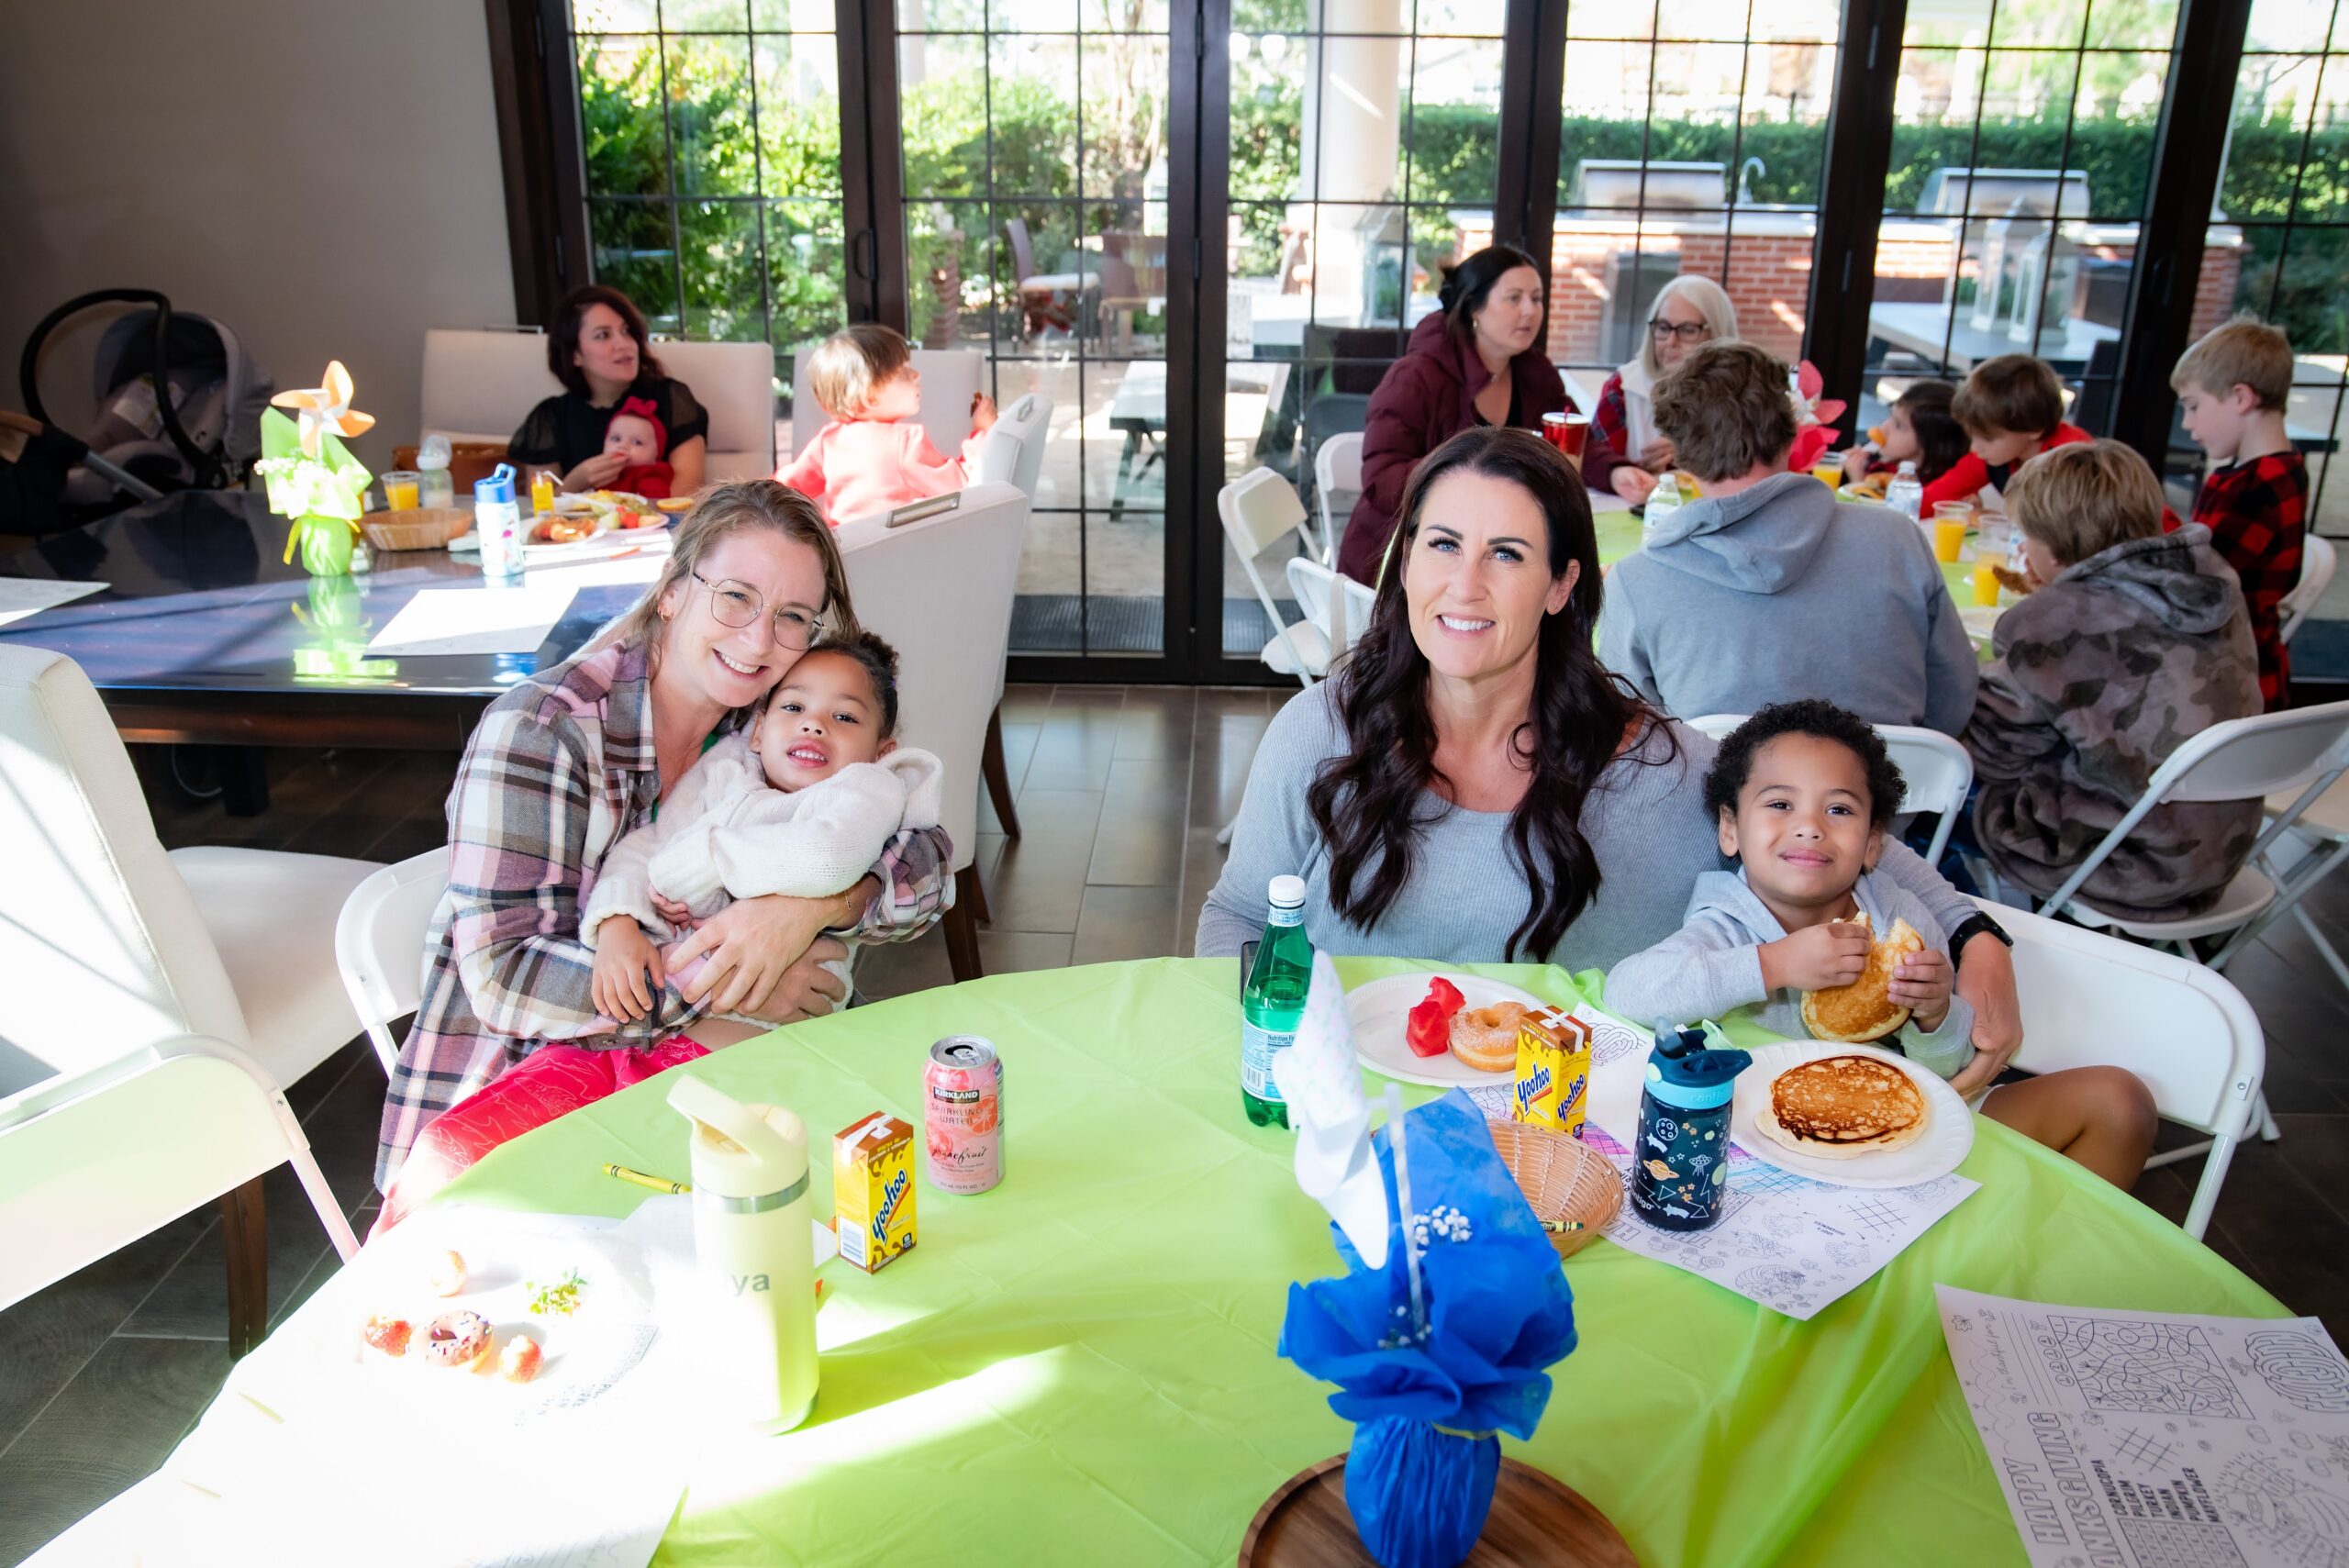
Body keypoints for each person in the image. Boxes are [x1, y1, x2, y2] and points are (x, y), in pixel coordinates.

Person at [1199, 426, 2025, 1105]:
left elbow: (1844, 834)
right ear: (1406, 561)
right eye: (1443, 544)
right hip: (1344, 1113)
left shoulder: (1650, 765)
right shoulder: (1320, 734)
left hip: (1566, 1143)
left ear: (1562, 586)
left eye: (1509, 555)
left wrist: (1978, 936)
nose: (1466, 584)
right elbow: (1235, 914)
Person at [375, 482, 952, 1194]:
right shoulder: (542, 730)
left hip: (727, 1074)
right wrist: (727, 980)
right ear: (674, 589)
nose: (759, 639)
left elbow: (926, 860)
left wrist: (809, 910)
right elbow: (505, 976)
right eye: (736, 596)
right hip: (531, 1090)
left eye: (792, 616)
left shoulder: (771, 718)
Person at [1607, 701, 2154, 1187]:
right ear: (1731, 829)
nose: (1810, 827)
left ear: (1872, 844)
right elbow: (1628, 992)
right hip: (1781, 1156)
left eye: (1839, 809)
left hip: (1922, 1128)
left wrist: (1935, 1016)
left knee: (2118, 1101)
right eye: (1779, 804)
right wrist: (1771, 964)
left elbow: (1951, 1073)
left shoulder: (1900, 922)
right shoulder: (1727, 928)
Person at [1596, 341, 1978, 734]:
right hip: (1894, 790)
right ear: (1792, 432)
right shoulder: (1900, 541)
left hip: (1714, 792)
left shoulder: (1636, 583)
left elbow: (1628, 739)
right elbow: (1954, 700)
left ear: (1678, 452)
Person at [1964, 440, 2261, 922]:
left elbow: (1993, 753)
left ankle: (1981, 941)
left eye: (2027, 536)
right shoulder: (2212, 583)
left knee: (1931, 792)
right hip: (2220, 847)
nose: (2022, 549)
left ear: (2056, 546)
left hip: (2127, 859)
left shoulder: (2055, 619)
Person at [583, 631, 943, 1016]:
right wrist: (617, 920)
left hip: (787, 1004)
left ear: (880, 752)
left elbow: (828, 858)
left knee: (704, 1070)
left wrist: (707, 860)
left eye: (844, 717)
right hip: (683, 987)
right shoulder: (727, 769)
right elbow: (652, 841)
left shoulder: (867, 789)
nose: (814, 724)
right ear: (758, 731)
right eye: (793, 707)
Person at [1336, 245, 1568, 584]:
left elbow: (1573, 439)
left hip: (1490, 551)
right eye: (1514, 298)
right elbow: (1379, 478)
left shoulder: (1535, 372)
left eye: (1537, 298)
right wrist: (1472, 470)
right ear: (1474, 307)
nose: (1530, 311)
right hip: (1399, 561)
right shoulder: (1416, 376)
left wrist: (1616, 470)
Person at [2172, 316, 2308, 710]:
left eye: (2194, 406)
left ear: (2241, 398)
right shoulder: (2289, 468)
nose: (2188, 423)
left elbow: (2199, 588)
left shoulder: (2252, 488)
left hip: (2228, 676)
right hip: (2257, 659)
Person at [777, 324, 996, 524]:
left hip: (840, 556)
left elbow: (784, 487)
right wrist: (983, 431)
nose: (916, 375)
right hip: (892, 559)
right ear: (869, 395)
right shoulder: (906, 442)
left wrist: (748, 494)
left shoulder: (830, 439)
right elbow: (964, 483)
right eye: (903, 371)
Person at [508, 284, 709, 495]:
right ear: (574, 354)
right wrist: (576, 482)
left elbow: (688, 496)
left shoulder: (670, 397)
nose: (623, 344)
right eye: (603, 335)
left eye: (626, 331)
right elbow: (540, 511)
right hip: (580, 528)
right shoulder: (549, 417)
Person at [1582, 274, 1739, 506]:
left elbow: (1757, 473)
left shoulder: (1742, 397)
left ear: (1717, 333)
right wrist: (1630, 471)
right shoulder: (1623, 387)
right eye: (1663, 327)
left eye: (1687, 330)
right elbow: (1593, 461)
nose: (1671, 341)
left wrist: (1694, 453)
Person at [1920, 353, 2088, 511]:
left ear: (2033, 429)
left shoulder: (2076, 461)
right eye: (1972, 435)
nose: (1975, 448)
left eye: (1988, 438)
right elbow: (1932, 499)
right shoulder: (1992, 455)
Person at [1841, 379, 1965, 492]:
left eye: (1899, 426)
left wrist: (1857, 480)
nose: (1884, 427)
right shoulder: (1880, 469)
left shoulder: (1940, 487)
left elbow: (1880, 514)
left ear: (1929, 443)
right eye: (1890, 416)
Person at [601, 397, 674, 499]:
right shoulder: (601, 472)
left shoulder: (649, 478)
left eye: (637, 442)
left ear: (656, 455)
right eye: (616, 439)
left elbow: (653, 508)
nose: (623, 446)